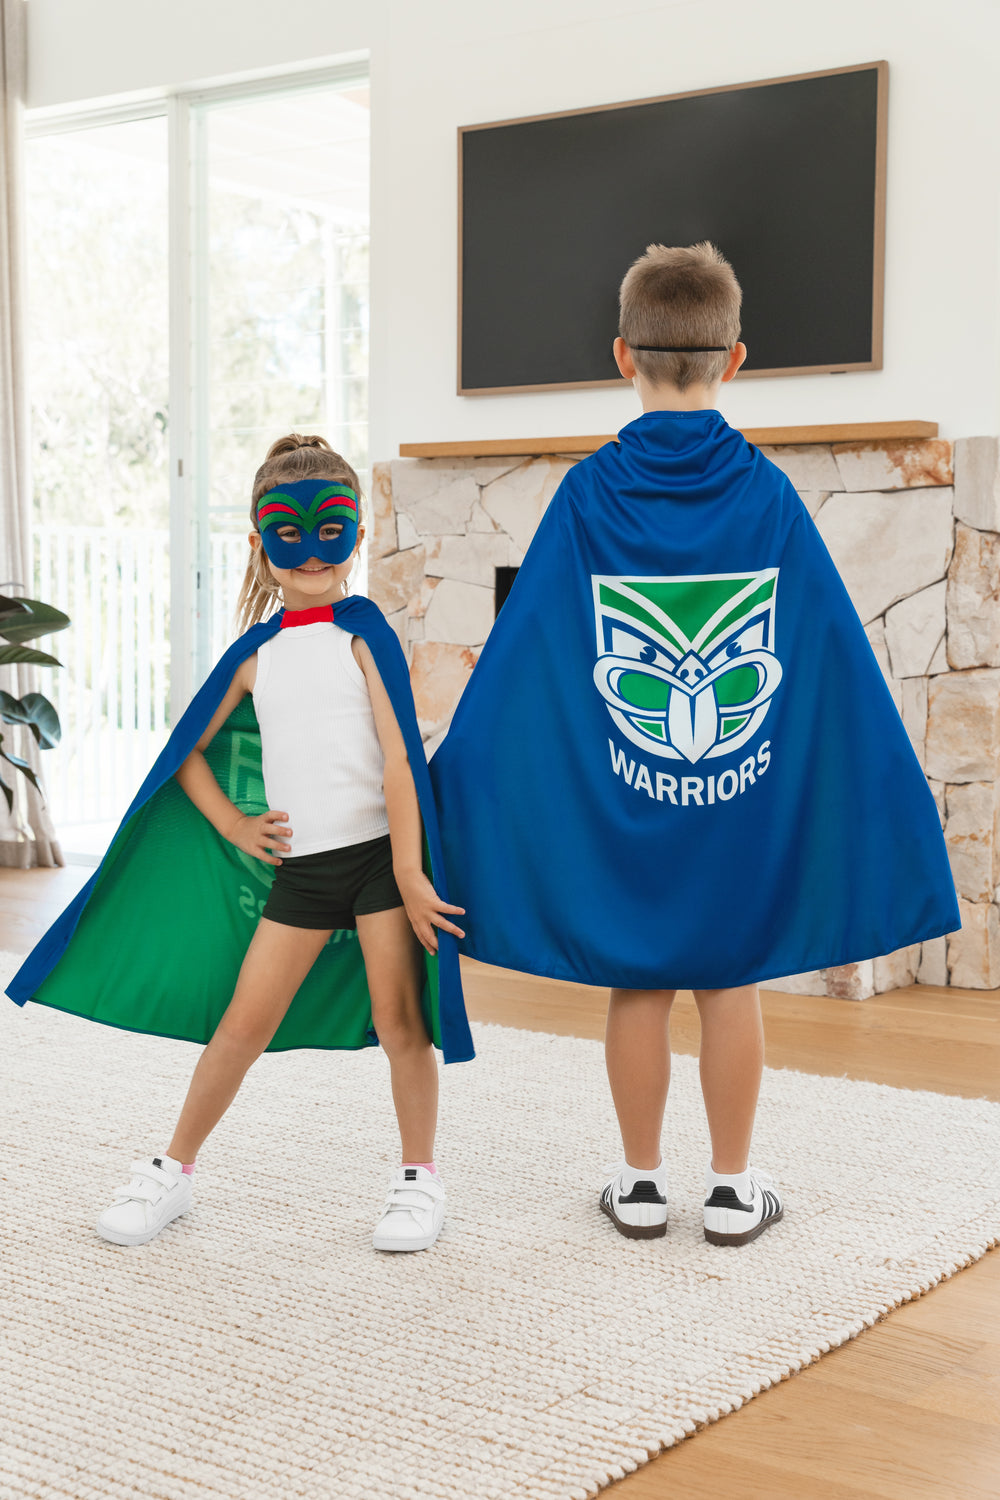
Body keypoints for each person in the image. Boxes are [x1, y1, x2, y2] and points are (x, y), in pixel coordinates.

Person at [430, 243, 958, 1247]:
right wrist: (871, 781)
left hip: (630, 797)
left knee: (640, 976)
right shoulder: (764, 495)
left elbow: (530, 651)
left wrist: (455, 783)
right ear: (738, 357)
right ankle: (729, 1188)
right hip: (737, 791)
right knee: (727, 976)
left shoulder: (587, 495)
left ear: (621, 354)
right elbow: (825, 655)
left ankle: (636, 1185)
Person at [7, 434, 474, 1253]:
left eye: (331, 529)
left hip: (374, 864)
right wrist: (229, 823)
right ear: (260, 541)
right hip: (302, 874)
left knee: (402, 1024)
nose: (312, 552)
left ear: (356, 536)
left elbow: (400, 755)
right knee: (240, 1027)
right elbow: (182, 746)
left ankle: (418, 1180)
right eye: (287, 532)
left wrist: (407, 868)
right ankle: (173, 1171)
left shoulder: (365, 633)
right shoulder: (255, 655)